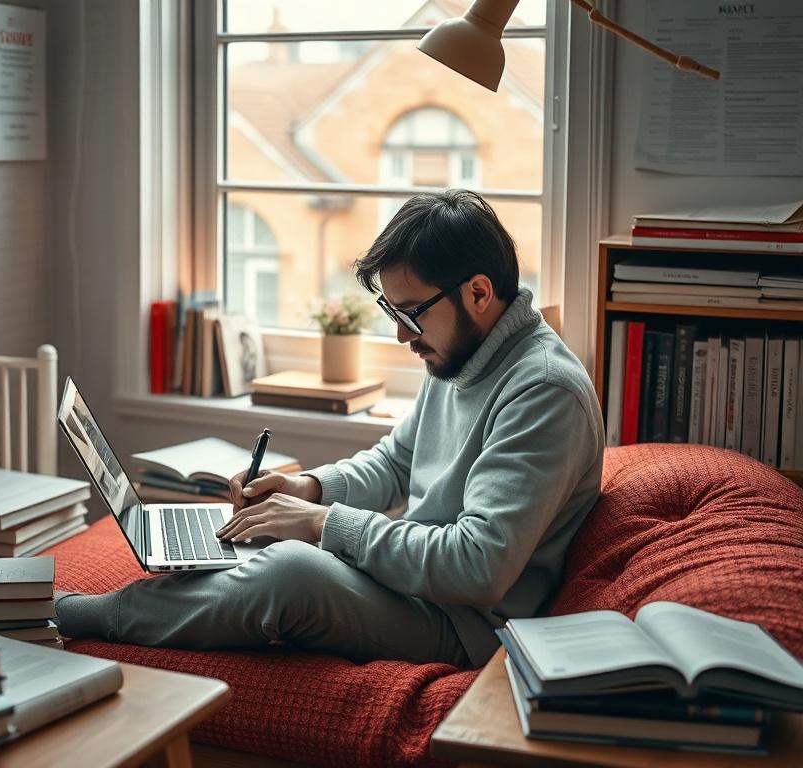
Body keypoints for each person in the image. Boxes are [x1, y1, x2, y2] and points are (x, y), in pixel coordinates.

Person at [56, 190, 604, 668]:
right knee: (266, 542)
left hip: (467, 625)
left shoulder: (543, 391)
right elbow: (395, 462)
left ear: (479, 293)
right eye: (392, 310)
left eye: (410, 313)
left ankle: (95, 616)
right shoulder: (462, 351)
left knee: (291, 573)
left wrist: (323, 524)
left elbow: (476, 566)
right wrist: (306, 490)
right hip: (417, 591)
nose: (399, 335)